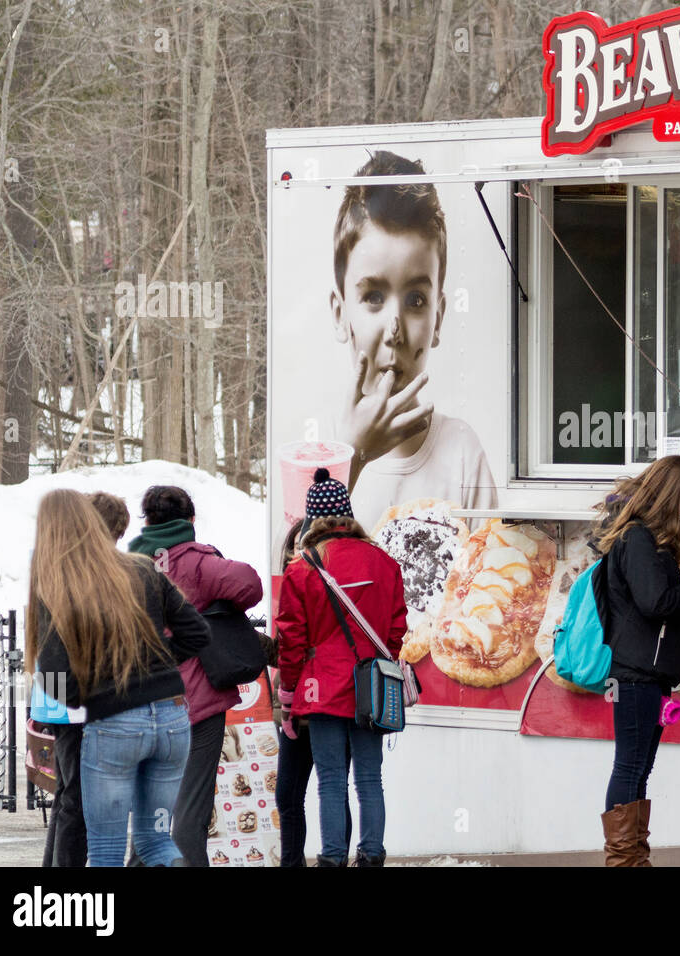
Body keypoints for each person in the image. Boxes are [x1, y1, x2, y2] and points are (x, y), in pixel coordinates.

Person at [28, 489, 209, 866]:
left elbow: (52, 661)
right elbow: (196, 634)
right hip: (166, 713)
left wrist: (62, 707)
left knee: (77, 811)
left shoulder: (58, 576)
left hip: (97, 711)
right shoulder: (141, 569)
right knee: (152, 837)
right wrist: (152, 668)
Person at [331, 150, 497, 527]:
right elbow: (288, 573)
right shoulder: (317, 453)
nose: (395, 330)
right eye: (373, 296)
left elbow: (490, 581)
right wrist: (352, 456)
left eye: (415, 301)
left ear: (437, 319)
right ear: (341, 313)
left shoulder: (461, 453)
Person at [276, 470, 407, 866]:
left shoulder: (301, 570)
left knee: (330, 781)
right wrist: (380, 663)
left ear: (312, 521)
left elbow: (292, 641)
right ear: (348, 517)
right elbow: (397, 627)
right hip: (372, 685)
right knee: (370, 779)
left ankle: (331, 859)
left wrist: (287, 697)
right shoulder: (385, 562)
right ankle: (371, 856)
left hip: (322, 688)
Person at [127, 485, 264, 866]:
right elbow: (250, 586)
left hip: (138, 704)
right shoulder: (198, 563)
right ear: (189, 521)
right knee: (189, 809)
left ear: (148, 522)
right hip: (194, 705)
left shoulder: (126, 565)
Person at [594, 454, 680, 867]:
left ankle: (633, 859)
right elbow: (655, 601)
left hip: (649, 675)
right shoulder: (636, 538)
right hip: (635, 674)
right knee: (630, 767)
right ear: (669, 494)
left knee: (638, 769)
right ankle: (623, 861)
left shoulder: (643, 536)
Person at [39, 492, 130, 867]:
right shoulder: (78, 569)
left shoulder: (56, 561)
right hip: (74, 696)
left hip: (58, 694)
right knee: (76, 797)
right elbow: (57, 644)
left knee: (66, 793)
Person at [272, 518, 352, 867]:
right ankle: (293, 863)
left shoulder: (326, 581)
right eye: (292, 549)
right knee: (290, 793)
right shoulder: (293, 581)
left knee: (330, 789)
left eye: (300, 547)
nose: (296, 555)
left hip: (322, 698)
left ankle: (334, 858)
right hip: (301, 700)